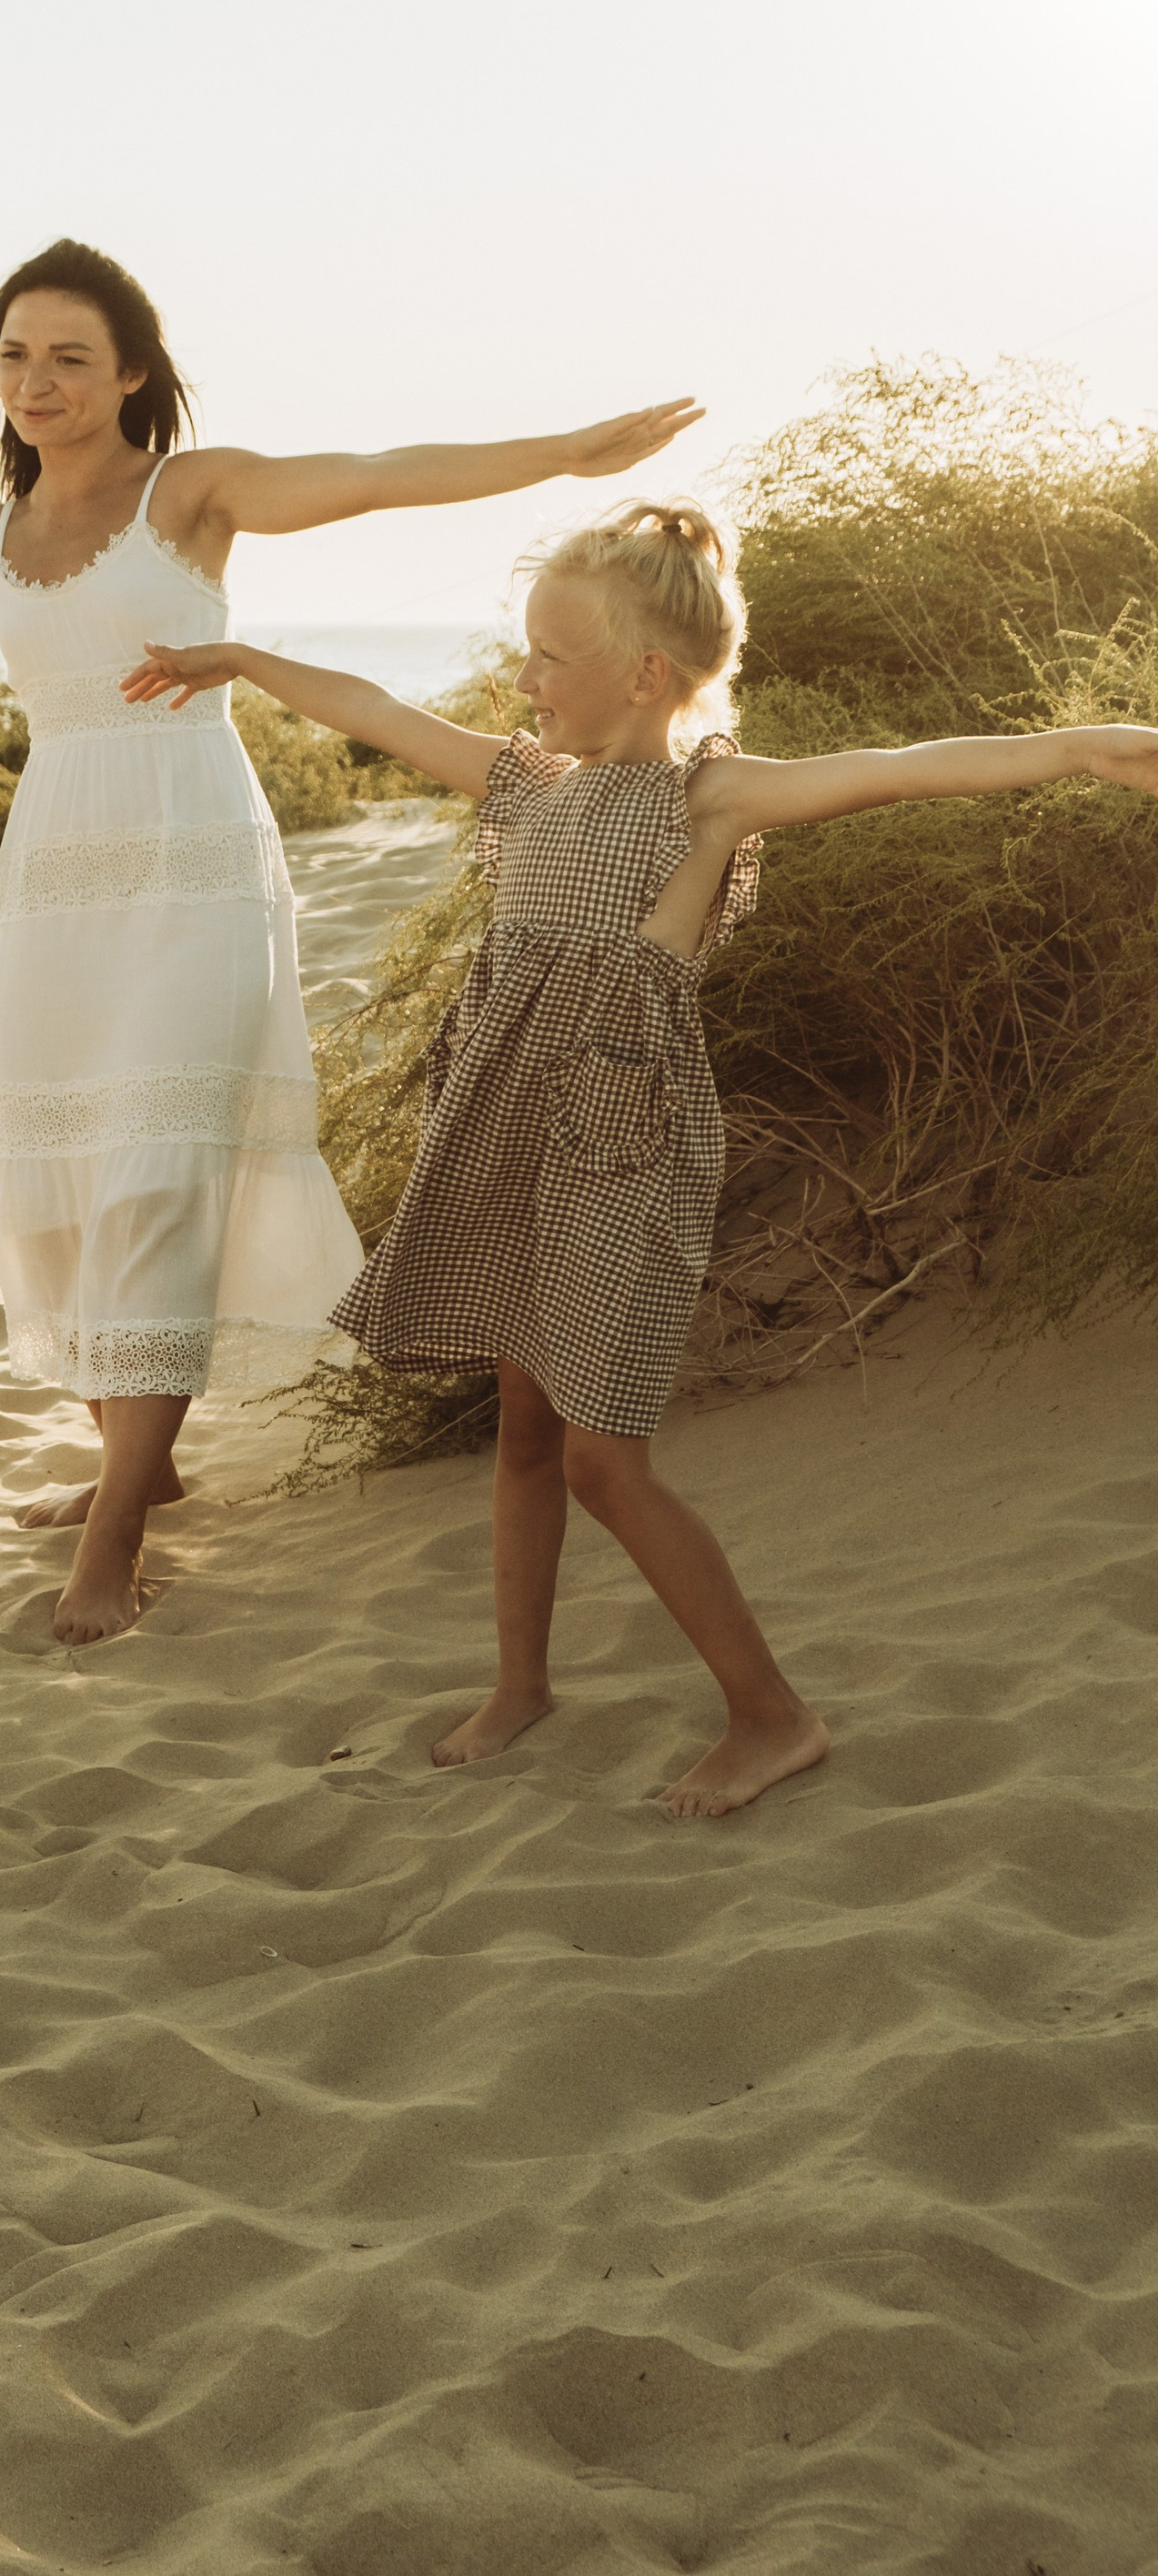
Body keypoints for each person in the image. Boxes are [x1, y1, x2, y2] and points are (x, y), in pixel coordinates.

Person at [0, 235, 698, 1646]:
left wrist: (565, 454)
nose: (37, 382)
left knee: (166, 1163)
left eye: (69, 357)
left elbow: (372, 474)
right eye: (13, 358)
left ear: (129, 373)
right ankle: (146, 1455)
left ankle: (113, 1533)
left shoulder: (192, 494)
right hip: (59, 874)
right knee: (98, 1160)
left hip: (197, 867)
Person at [126, 499, 1158, 1811]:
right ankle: (521, 1684)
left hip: (621, 1144)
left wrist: (1095, 751)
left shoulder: (709, 799)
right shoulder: (527, 785)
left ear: (644, 676)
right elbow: (376, 711)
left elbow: (911, 764)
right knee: (521, 1423)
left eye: (547, 656)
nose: (522, 679)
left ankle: (771, 1716)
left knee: (606, 1458)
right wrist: (245, 662)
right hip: (506, 1125)